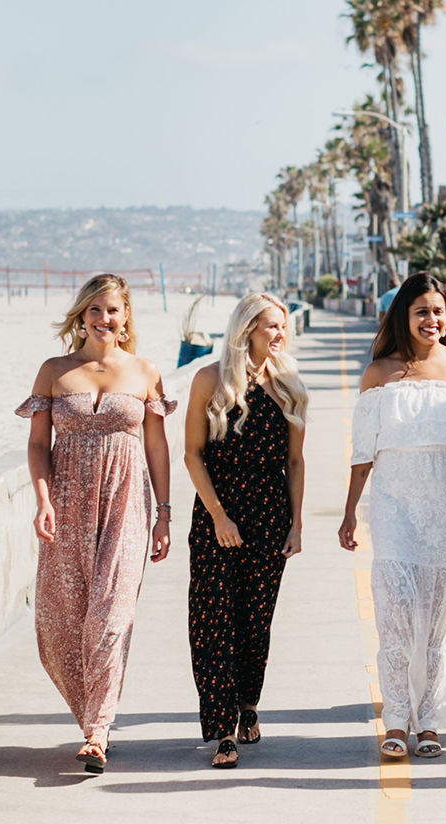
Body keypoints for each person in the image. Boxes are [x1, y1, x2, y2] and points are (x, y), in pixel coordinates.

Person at [18, 273, 174, 774]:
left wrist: (164, 514)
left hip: (127, 503)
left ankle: (98, 730)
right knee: (60, 619)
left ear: (126, 315)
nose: (104, 320)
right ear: (82, 316)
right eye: (95, 311)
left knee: (111, 615)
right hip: (66, 503)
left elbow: (156, 447)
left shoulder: (146, 372)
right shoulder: (54, 371)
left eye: (113, 310)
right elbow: (39, 445)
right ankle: (89, 712)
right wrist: (43, 501)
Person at [339, 272, 446, 760]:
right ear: (403, 317)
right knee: (397, 613)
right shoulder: (379, 373)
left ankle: (428, 720)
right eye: (421, 311)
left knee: (439, 623)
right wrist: (349, 513)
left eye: (438, 311)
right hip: (393, 506)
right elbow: (363, 452)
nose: (432, 320)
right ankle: (396, 717)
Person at [184, 292, 307, 768]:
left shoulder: (290, 384)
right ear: (245, 330)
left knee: (255, 622)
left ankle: (247, 705)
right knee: (211, 620)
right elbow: (193, 454)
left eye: (281, 326)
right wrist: (218, 515)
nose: (279, 334)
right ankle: (221, 731)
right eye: (269, 326)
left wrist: (296, 524)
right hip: (218, 515)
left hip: (270, 516)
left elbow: (295, 461)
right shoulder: (209, 381)